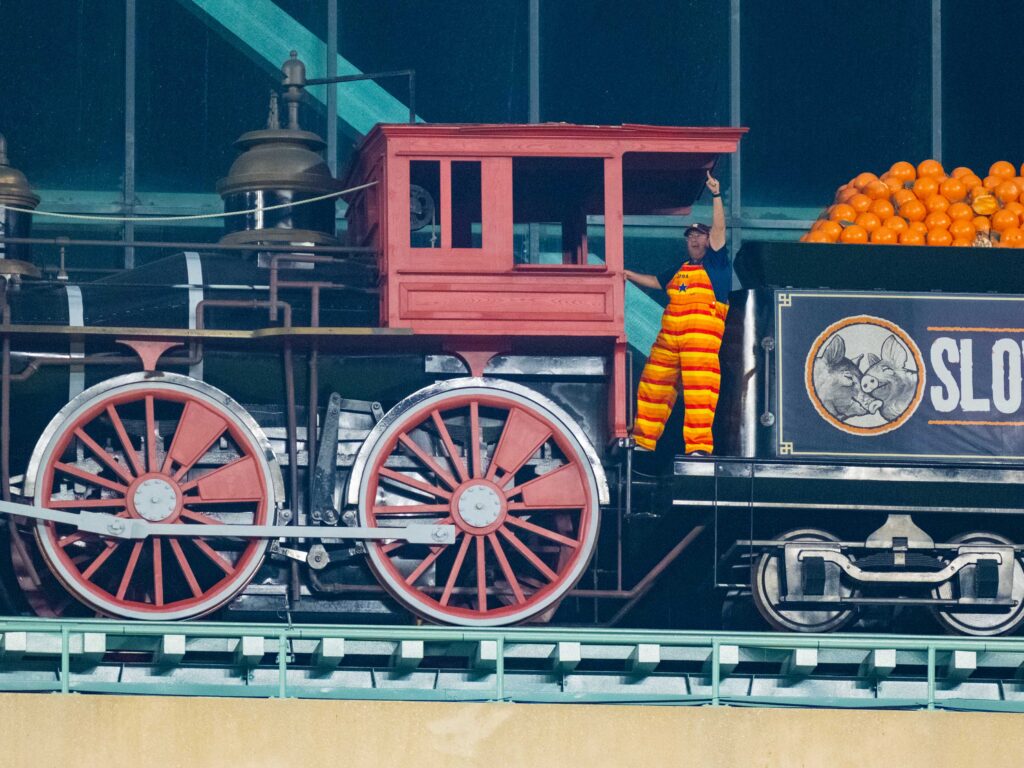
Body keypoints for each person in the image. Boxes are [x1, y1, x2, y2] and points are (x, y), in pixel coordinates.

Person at [624, 171, 730, 456]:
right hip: (669, 340)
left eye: (700, 236)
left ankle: (698, 449)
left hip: (700, 344)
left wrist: (716, 196)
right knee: (652, 385)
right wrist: (627, 275)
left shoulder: (717, 265)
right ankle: (643, 442)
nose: (695, 241)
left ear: (709, 241)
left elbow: (720, 229)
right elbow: (657, 282)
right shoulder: (680, 270)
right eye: (691, 237)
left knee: (699, 394)